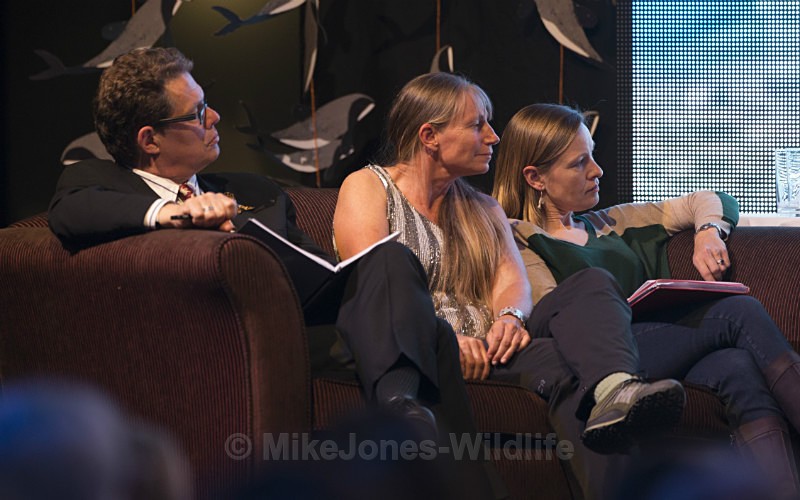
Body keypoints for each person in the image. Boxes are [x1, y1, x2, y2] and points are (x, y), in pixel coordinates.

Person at [47, 47, 503, 498]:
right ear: (150, 139)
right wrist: (177, 213)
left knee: (389, 260)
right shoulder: (97, 182)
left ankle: (402, 412)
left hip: (309, 317)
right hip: (225, 336)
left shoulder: (253, 189)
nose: (216, 117)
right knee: (434, 335)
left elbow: (318, 268)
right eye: (198, 111)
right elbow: (72, 213)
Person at [333, 72, 688, 499]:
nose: (494, 136)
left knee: (583, 315)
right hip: (416, 345)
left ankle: (615, 396)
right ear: (430, 135)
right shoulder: (370, 186)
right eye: (477, 124)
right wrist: (441, 336)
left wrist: (510, 318)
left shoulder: (483, 208)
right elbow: (372, 278)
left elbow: (511, 281)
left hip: (491, 350)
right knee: (390, 265)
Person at [493, 102, 800, 499]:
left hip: (656, 346)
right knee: (736, 311)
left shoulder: (614, 222)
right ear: (536, 177)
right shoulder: (517, 238)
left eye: (594, 156)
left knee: (736, 367)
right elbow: (551, 313)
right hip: (600, 362)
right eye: (579, 163)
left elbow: (710, 197)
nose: (597, 171)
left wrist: (708, 231)